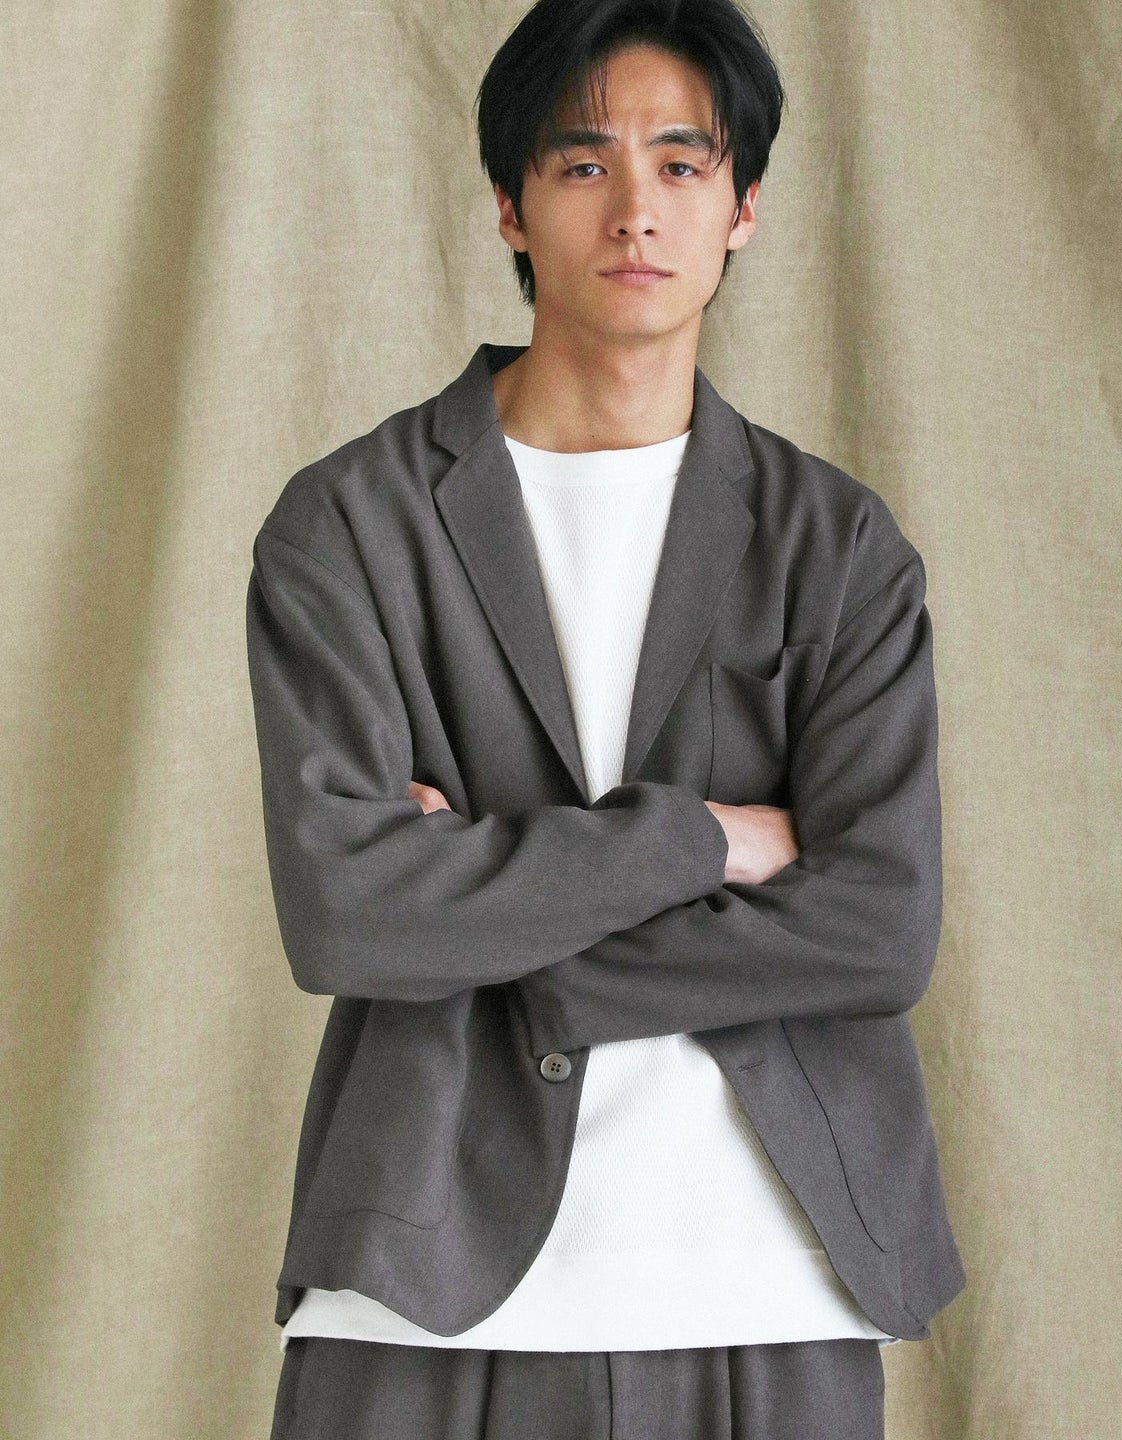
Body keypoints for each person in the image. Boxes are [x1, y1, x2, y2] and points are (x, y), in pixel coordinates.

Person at [246, 1, 966, 1436]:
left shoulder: (838, 545)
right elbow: (348, 916)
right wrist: (707, 841)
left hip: (771, 1281)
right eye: (583, 164)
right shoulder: (351, 527)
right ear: (509, 205)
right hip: (423, 1286)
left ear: (743, 208)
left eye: (682, 165)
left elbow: (880, 928)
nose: (635, 208)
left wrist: (493, 923)